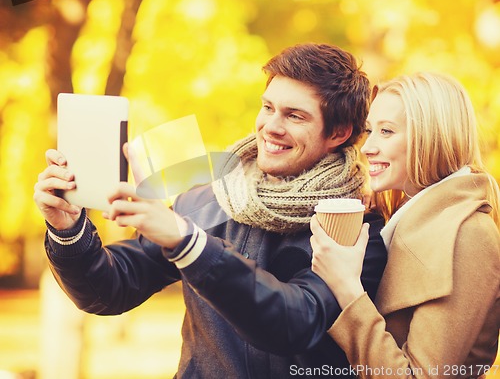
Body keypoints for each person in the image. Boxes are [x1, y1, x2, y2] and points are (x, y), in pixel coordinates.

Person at [34, 43, 388, 378]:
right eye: (267, 107)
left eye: (294, 116)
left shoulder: (355, 230)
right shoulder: (206, 200)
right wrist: (69, 230)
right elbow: (108, 290)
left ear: (338, 133)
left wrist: (189, 243)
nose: (271, 127)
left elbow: (294, 323)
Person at [310, 72, 500, 379]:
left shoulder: (468, 234)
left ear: (432, 136)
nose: (368, 147)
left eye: (386, 132)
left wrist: (346, 288)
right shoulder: (399, 219)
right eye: (370, 131)